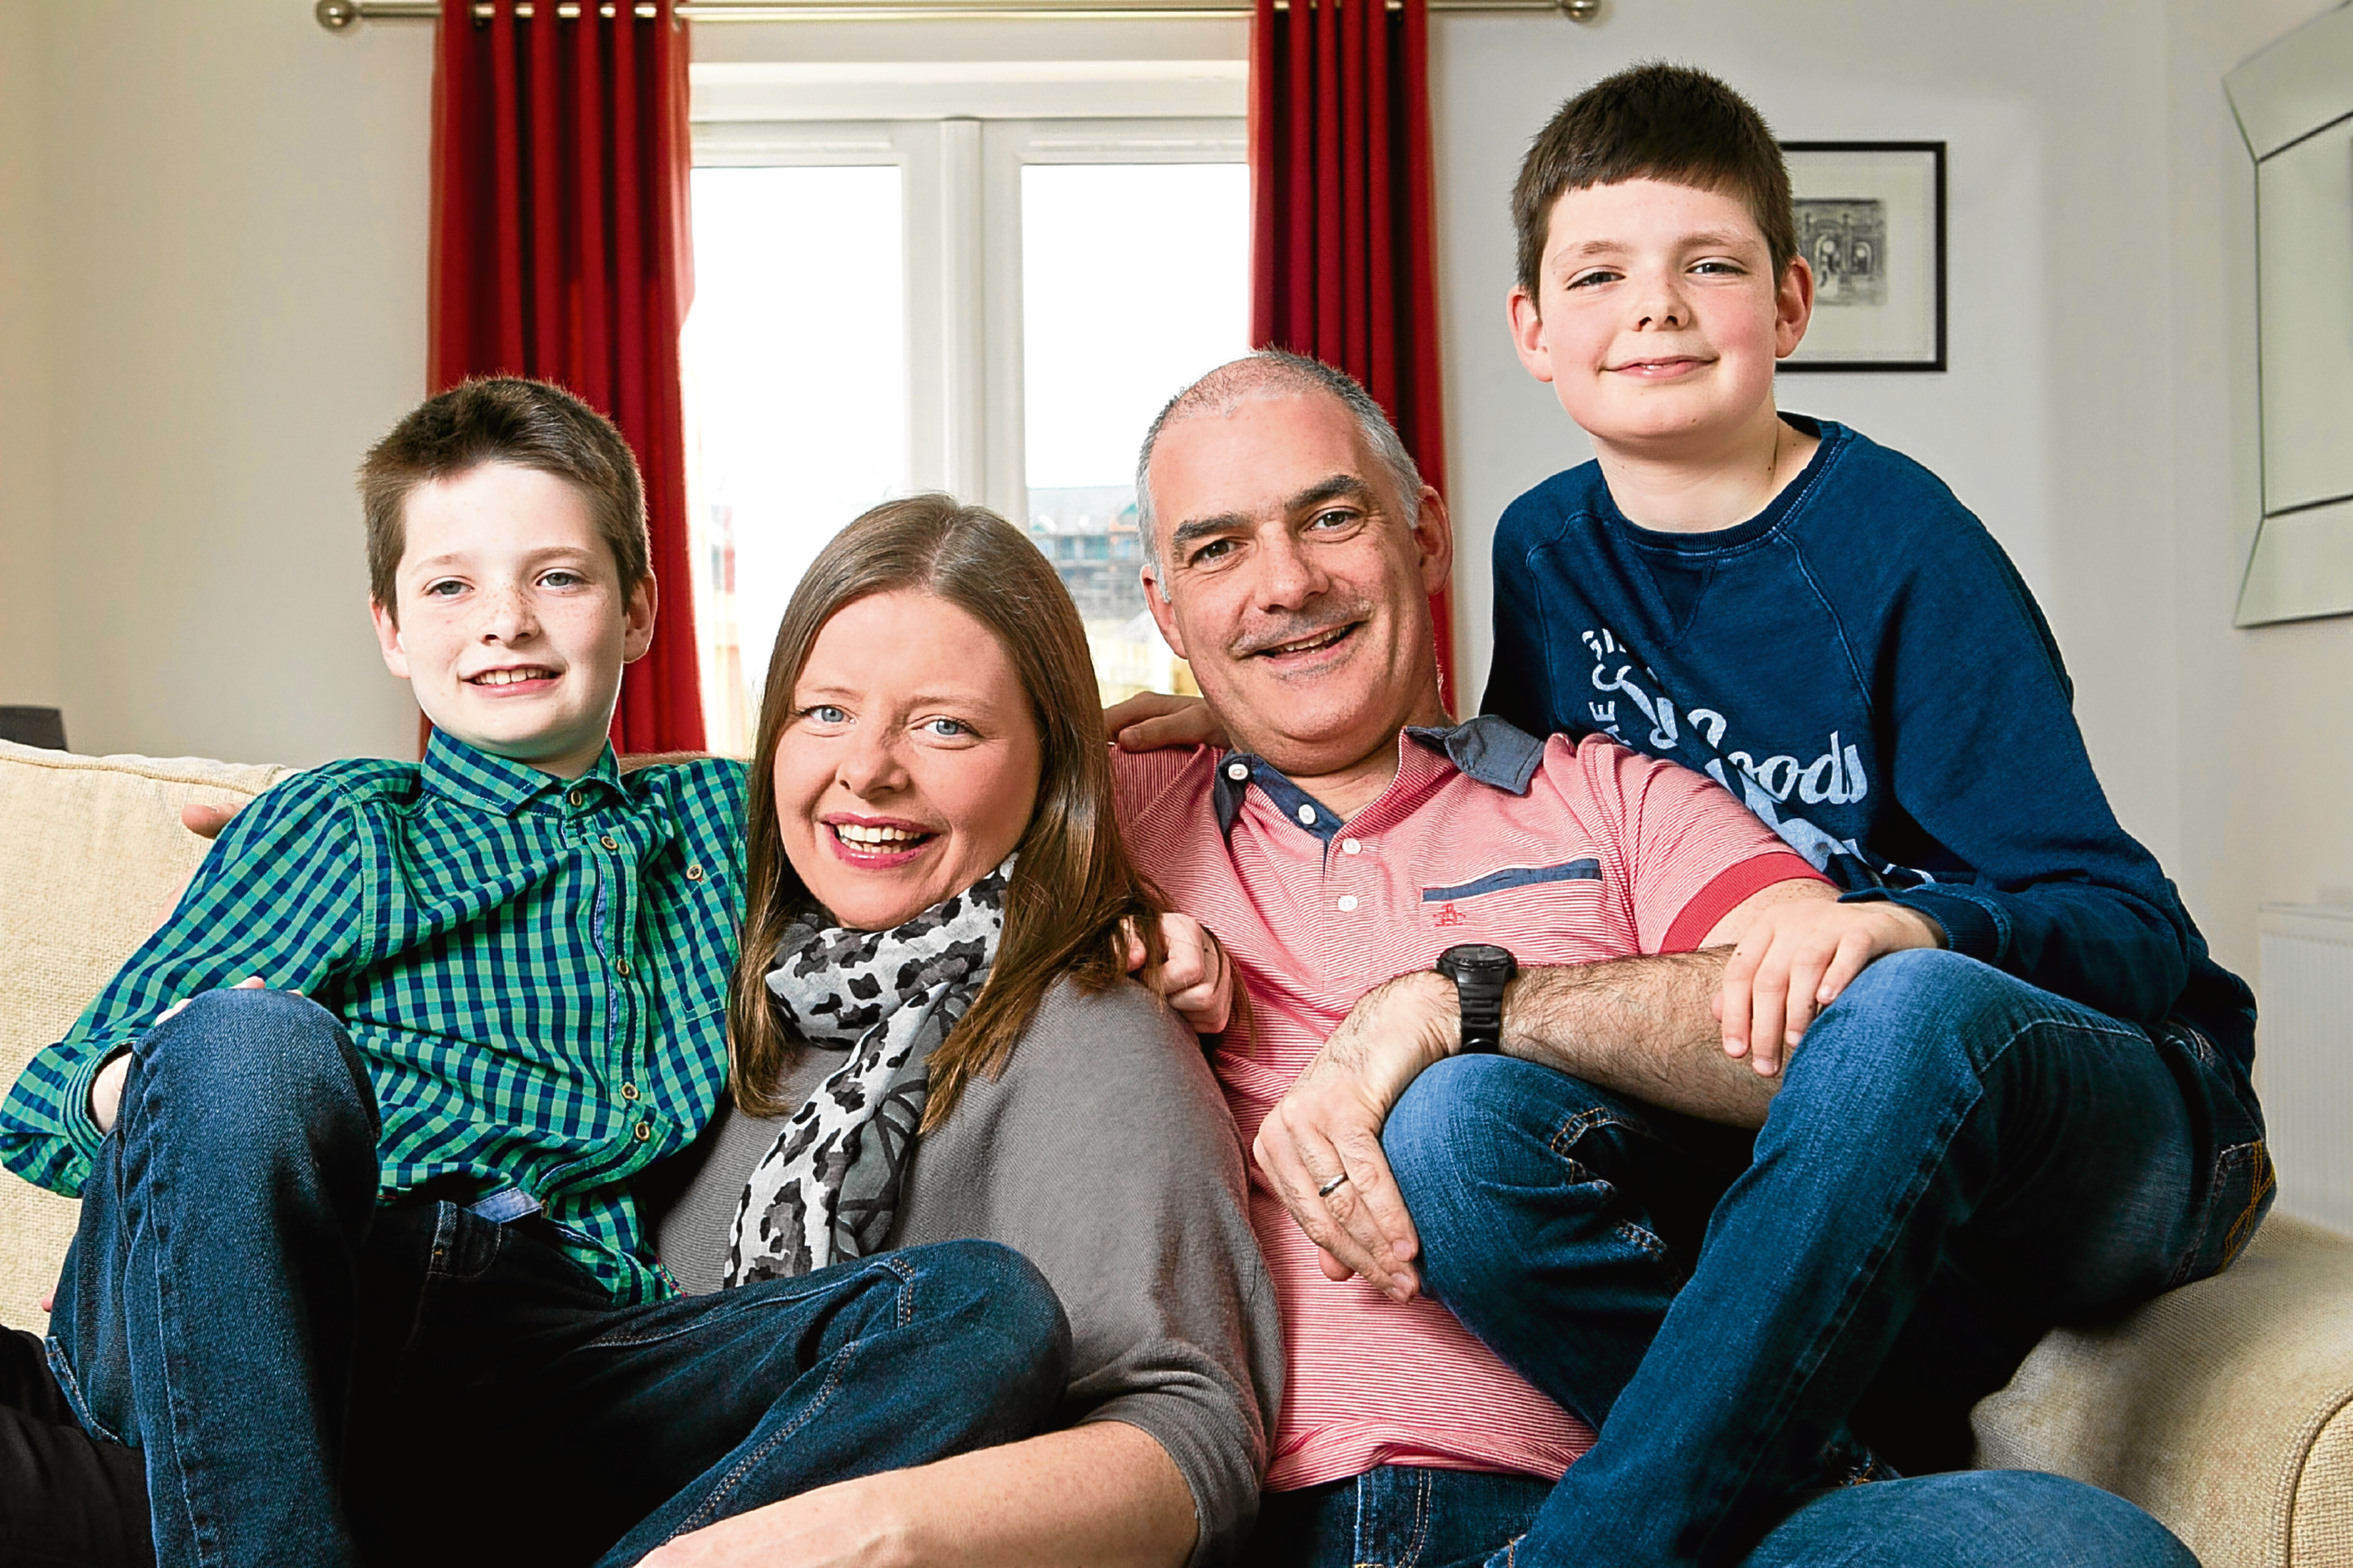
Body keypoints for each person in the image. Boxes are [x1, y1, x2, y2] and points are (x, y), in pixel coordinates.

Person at [1102, 346, 2202, 1568]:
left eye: (1332, 518)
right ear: (1165, 609)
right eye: (1219, 551)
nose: (1288, 583)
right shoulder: (1105, 816)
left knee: (2085, 1553)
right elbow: (875, 810)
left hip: (1646, 1499)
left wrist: (1483, 1006)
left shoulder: (1607, 797)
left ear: (1421, 538)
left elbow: (1842, 1045)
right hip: (1266, 1522)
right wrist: (1094, 929)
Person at [0, 378, 1073, 1568]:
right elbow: (43, 1102)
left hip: (548, 1349)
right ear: (392, 630)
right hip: (294, 1294)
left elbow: (961, 797)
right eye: (450, 585)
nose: (503, 620)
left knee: (981, 1307)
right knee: (253, 1043)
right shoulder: (347, 825)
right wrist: (177, 1077)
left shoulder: (730, 826)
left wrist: (1132, 909)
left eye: (557, 578)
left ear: (641, 609)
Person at [631, 493, 1278, 1566]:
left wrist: (867, 1535)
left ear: (1056, 759)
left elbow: (1193, 1438)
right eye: (824, 713)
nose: (869, 770)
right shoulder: (710, 979)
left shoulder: (1090, 1020)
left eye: (946, 726)